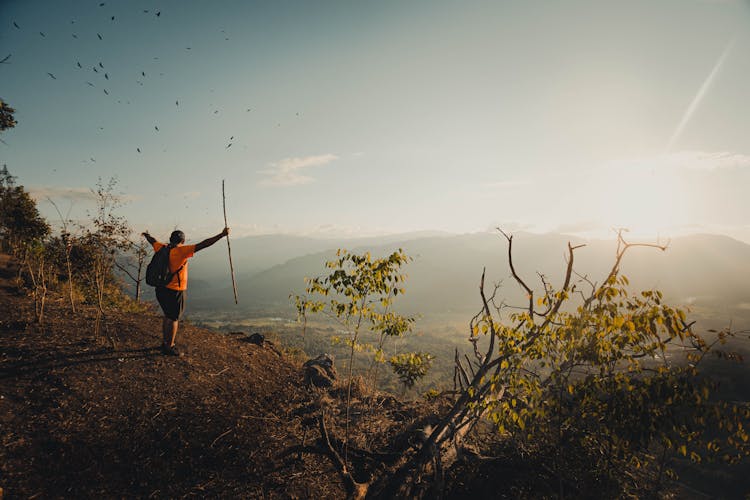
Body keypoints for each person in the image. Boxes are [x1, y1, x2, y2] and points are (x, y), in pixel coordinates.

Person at [141, 227, 229, 356]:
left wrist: (146, 235)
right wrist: (221, 235)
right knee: (173, 318)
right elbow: (204, 244)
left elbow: (152, 241)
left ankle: (165, 342)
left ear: (171, 239)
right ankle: (169, 346)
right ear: (182, 240)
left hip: (160, 288)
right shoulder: (182, 251)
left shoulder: (162, 248)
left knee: (167, 315)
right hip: (175, 291)